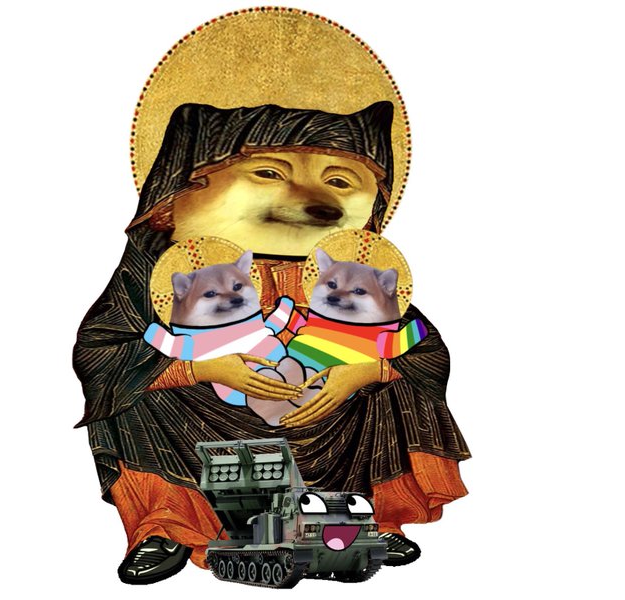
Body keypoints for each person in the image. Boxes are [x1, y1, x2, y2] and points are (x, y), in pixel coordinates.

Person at [73, 101, 470, 584]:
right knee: (138, 392)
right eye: (268, 173)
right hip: (205, 413)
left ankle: (369, 520)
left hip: (326, 407)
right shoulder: (166, 267)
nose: (318, 201)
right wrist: (202, 369)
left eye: (340, 181)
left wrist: (364, 372)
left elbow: (424, 349)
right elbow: (102, 351)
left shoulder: (350, 266)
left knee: (396, 382)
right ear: (186, 185)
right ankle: (168, 523)